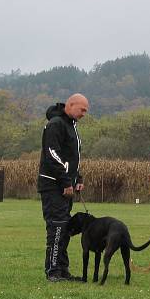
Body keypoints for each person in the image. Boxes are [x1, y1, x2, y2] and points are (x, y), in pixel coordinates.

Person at [37, 93, 88, 282]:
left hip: (66, 186)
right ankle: (52, 271)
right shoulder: (56, 124)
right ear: (71, 104)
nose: (84, 114)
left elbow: (73, 157)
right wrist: (66, 181)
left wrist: (78, 178)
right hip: (53, 186)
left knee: (65, 228)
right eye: (82, 109)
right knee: (57, 227)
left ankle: (63, 270)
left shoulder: (71, 126)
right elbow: (52, 154)